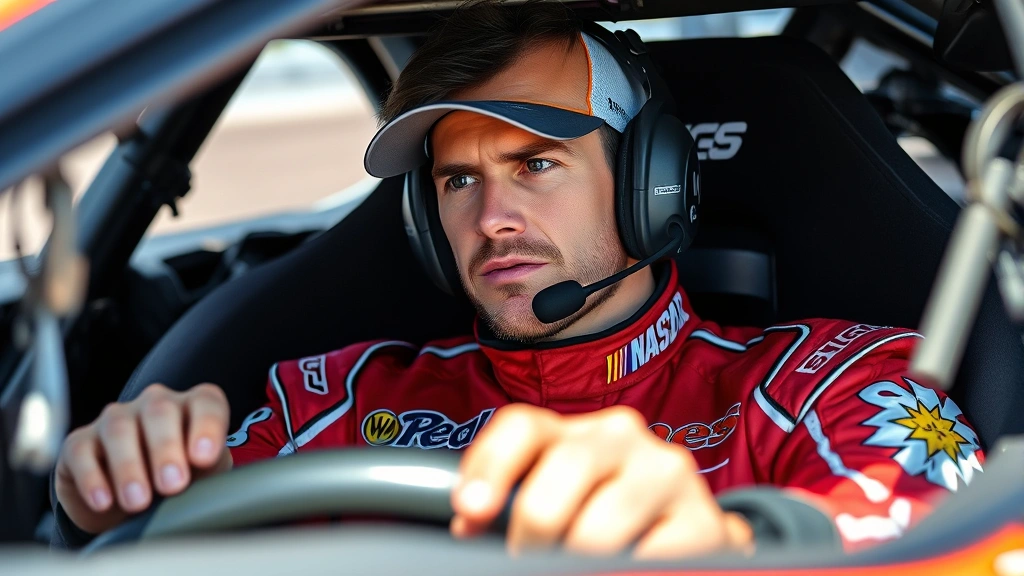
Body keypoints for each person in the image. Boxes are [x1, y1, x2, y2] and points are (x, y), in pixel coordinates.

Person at [52, 0, 983, 557]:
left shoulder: (833, 382)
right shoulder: (331, 398)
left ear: (652, 186)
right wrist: (115, 482)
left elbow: (936, 535)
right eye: (460, 180)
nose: (490, 217)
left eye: (536, 162)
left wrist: (730, 545)